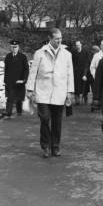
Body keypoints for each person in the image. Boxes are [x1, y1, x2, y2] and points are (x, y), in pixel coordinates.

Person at [26, 28, 74, 158]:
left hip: (59, 92)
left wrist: (70, 92)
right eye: (57, 39)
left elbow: (70, 74)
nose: (59, 41)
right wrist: (30, 90)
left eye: (60, 38)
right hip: (43, 92)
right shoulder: (39, 53)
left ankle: (55, 146)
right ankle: (45, 146)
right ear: (50, 39)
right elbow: (33, 72)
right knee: (45, 119)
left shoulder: (66, 54)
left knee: (57, 122)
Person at [3, 40, 29, 119]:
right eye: (12, 47)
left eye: (15, 47)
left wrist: (24, 80)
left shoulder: (23, 57)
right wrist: (5, 80)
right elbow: (6, 69)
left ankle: (19, 111)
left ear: (18, 47)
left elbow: (26, 69)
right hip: (10, 82)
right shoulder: (8, 56)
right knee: (10, 98)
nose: (14, 49)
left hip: (19, 81)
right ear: (10, 48)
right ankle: (8, 113)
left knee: (19, 98)